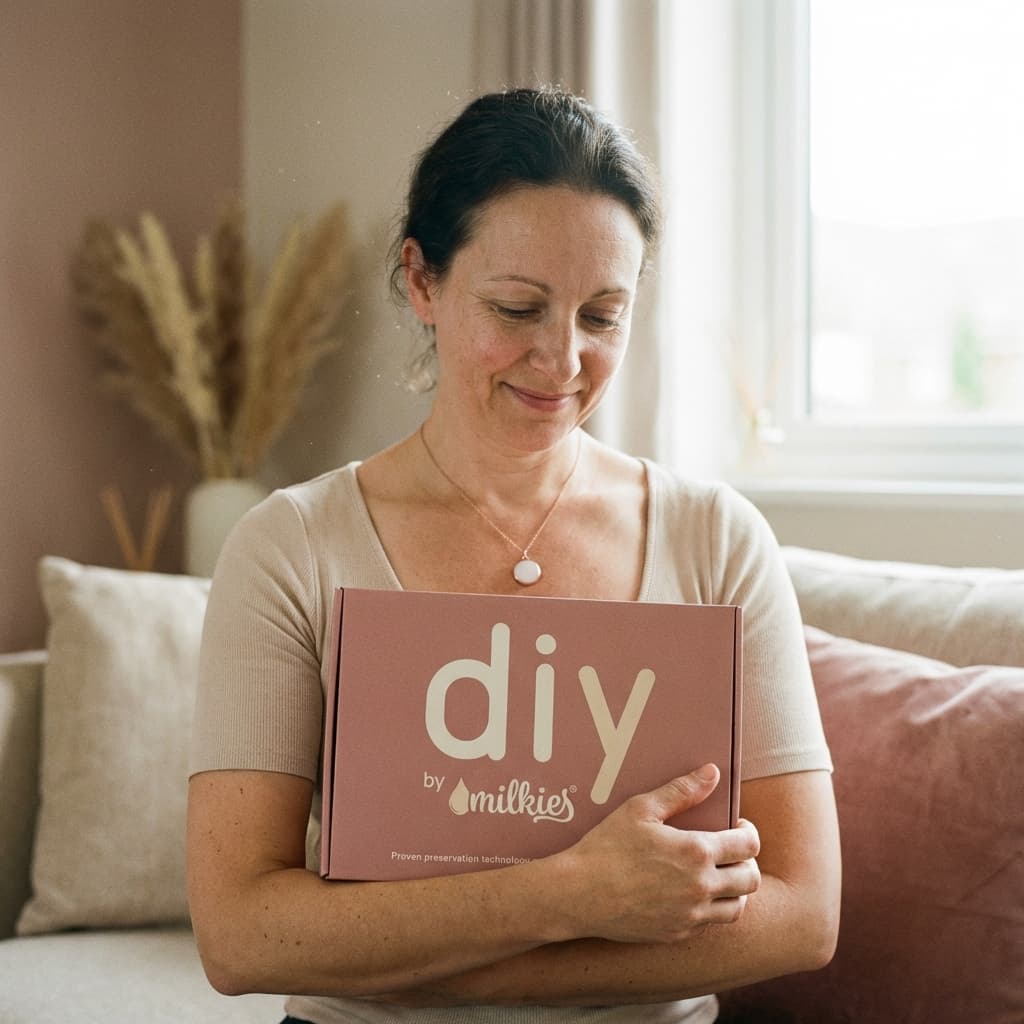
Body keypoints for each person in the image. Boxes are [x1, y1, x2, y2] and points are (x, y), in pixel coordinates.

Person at [186, 87, 840, 1024]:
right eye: (519, 307)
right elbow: (239, 934)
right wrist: (569, 897)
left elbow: (804, 915)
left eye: (602, 316)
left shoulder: (717, 539)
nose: (562, 359)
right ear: (421, 281)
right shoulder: (292, 547)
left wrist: (434, 960)